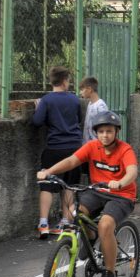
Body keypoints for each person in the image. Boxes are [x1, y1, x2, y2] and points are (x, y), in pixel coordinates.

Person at [36, 111, 138, 277]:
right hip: (97, 191)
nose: (105, 135)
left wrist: (121, 182)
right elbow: (71, 161)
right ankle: (91, 242)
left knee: (105, 225)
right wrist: (48, 171)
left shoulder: (125, 149)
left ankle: (109, 273)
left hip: (121, 195)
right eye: (101, 132)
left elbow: (132, 171)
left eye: (109, 131)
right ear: (96, 133)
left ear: (116, 132)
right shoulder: (92, 147)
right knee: (77, 213)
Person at [32, 66, 83, 239]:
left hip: (54, 147)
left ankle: (44, 223)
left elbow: (37, 121)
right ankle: (66, 222)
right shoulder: (75, 100)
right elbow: (79, 120)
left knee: (46, 183)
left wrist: (39, 108)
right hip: (74, 149)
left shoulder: (46, 100)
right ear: (64, 80)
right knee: (69, 184)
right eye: (68, 80)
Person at [79, 76, 108, 144]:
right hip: (88, 145)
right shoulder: (90, 104)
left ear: (89, 89)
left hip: (97, 146)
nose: (80, 92)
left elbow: (104, 127)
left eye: (82, 89)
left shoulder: (101, 106)